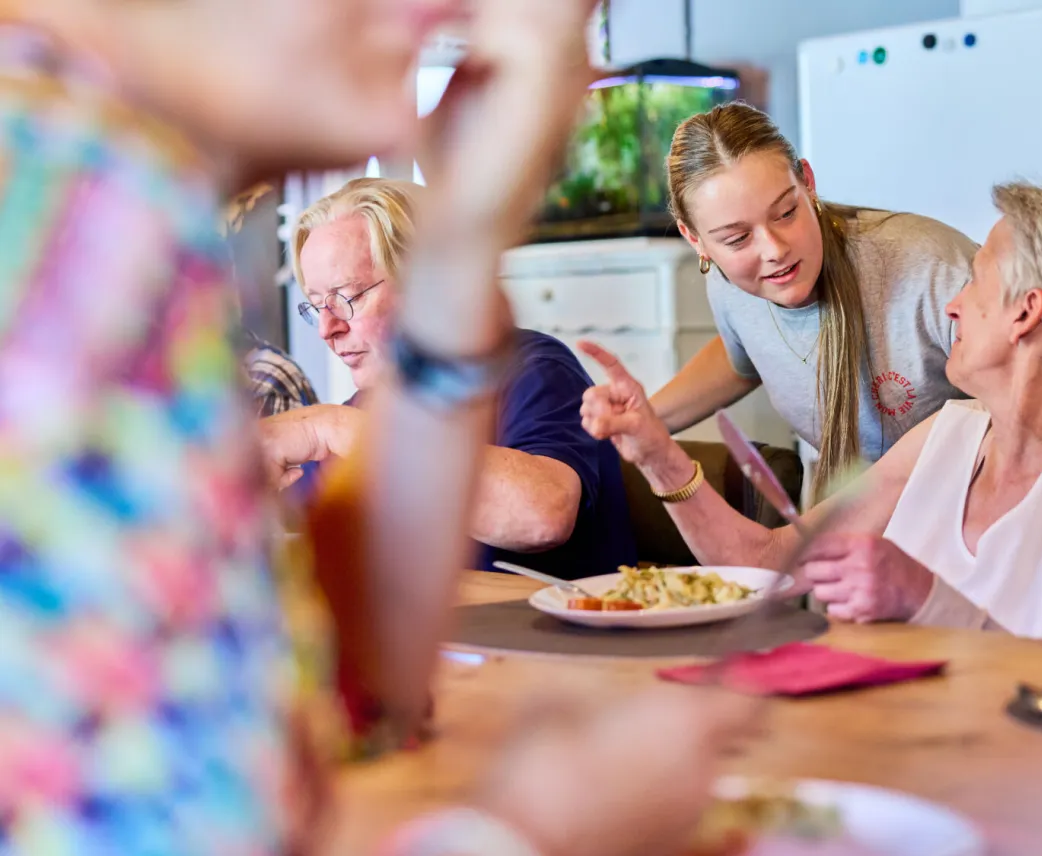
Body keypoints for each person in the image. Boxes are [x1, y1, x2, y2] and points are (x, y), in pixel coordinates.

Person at [0, 1, 748, 854]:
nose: (443, 8)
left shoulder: (87, 171)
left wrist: (465, 243)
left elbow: (348, 690)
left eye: (345, 297)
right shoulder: (66, 200)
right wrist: (532, 830)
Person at [584, 180, 1042, 644]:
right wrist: (658, 457)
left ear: (1027, 312)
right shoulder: (941, 437)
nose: (953, 306)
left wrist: (924, 597)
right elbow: (769, 564)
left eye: (976, 282)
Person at [635, 101, 1042, 506]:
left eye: (785, 212)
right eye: (735, 238)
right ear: (697, 240)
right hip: (846, 519)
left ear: (807, 182)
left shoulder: (920, 265)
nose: (773, 249)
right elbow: (746, 354)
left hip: (956, 515)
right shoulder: (731, 284)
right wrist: (644, 419)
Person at [260, 177, 637, 578]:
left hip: (548, 640)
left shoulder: (532, 373)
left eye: (347, 297)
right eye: (316, 306)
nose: (326, 328)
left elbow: (543, 515)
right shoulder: (364, 414)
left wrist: (327, 425)